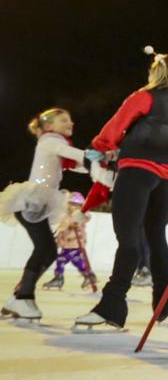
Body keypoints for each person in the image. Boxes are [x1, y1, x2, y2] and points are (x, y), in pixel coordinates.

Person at [74, 52, 168, 332]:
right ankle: (163, 297)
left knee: (128, 239)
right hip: (166, 178)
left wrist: (99, 147)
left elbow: (114, 128)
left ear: (159, 72)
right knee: (157, 237)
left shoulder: (145, 96)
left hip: (137, 173)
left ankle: (112, 305)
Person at [1, 107, 102, 320]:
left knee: (46, 250)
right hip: (32, 201)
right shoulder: (50, 141)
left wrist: (99, 161)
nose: (71, 123)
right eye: (64, 120)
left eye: (71, 119)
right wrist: (93, 155)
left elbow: (79, 165)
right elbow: (77, 157)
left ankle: (21, 297)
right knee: (45, 250)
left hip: (37, 202)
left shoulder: (57, 145)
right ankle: (22, 297)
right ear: (48, 126)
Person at [44, 193, 97, 291]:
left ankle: (87, 275)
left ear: (80, 206)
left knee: (65, 260)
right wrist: (57, 240)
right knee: (71, 261)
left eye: (76, 205)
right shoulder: (66, 216)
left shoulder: (80, 215)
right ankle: (87, 275)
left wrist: (81, 215)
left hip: (75, 245)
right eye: (71, 204)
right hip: (66, 245)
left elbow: (87, 217)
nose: (73, 207)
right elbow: (62, 230)